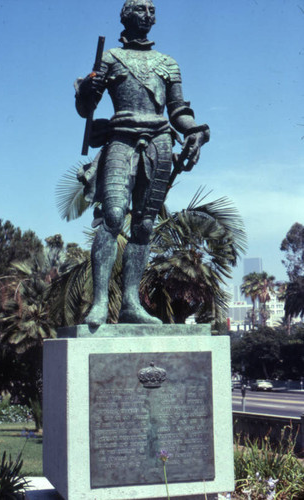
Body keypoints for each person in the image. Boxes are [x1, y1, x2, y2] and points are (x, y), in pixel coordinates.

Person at [74, 0, 209, 326]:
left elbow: (178, 112)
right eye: (140, 9)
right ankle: (101, 302)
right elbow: (85, 107)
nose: (147, 14)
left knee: (145, 225)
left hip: (159, 144)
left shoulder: (168, 63)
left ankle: (131, 302)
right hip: (121, 140)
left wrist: (197, 131)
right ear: (126, 15)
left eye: (151, 9)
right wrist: (86, 91)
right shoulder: (110, 59)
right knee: (112, 216)